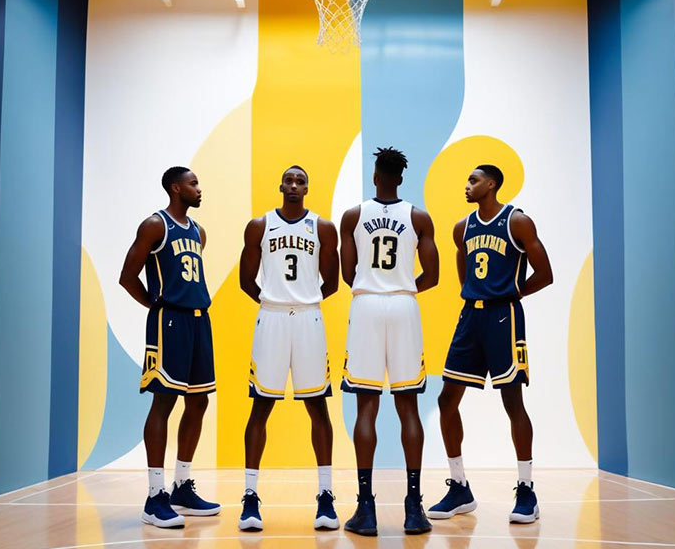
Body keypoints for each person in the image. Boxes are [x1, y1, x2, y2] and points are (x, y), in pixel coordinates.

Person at [427, 165, 553, 524]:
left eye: (474, 180)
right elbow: (463, 271)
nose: (467, 185)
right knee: (446, 400)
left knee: (512, 401)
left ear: (491, 184)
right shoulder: (462, 228)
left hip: (504, 317)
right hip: (471, 316)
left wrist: (511, 293)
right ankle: (459, 488)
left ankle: (526, 490)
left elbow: (545, 274)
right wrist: (477, 294)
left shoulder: (517, 222)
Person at [339, 147, 439, 536]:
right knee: (408, 407)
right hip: (403, 306)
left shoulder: (353, 216)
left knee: (366, 407)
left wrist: (376, 286)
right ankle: (414, 508)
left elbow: (348, 273)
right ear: (400, 178)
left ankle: (366, 509)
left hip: (366, 305)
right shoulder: (418, 216)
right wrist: (401, 288)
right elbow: (432, 275)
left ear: (376, 176)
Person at [237, 166, 340, 532]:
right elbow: (246, 280)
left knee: (318, 406)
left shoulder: (322, 227)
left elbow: (333, 282)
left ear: (307, 188)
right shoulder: (259, 225)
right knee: (261, 406)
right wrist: (275, 301)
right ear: (280, 185)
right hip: (272, 317)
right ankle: (250, 496)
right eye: (289, 180)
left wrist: (303, 299)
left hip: (309, 318)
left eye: (301, 181)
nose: (294, 185)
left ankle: (325, 496)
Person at [119, 166, 221, 528]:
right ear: (176, 188)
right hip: (170, 321)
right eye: (193, 183)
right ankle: (154, 496)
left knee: (199, 400)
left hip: (199, 320)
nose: (199, 188)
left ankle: (181, 487)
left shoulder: (198, 231)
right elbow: (127, 277)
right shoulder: (155, 225)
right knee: (164, 401)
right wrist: (157, 305)